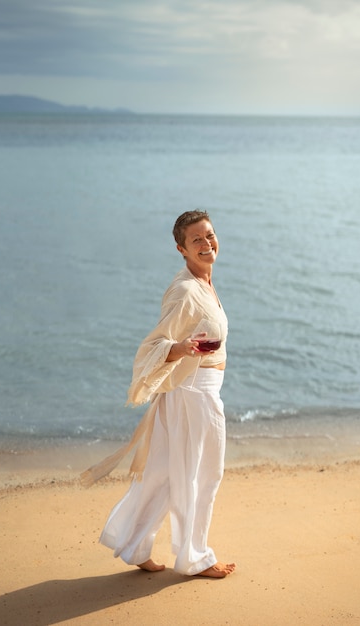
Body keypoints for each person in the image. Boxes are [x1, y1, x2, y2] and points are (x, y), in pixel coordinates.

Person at [99, 210, 236, 578]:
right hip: (195, 394)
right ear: (181, 249)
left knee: (164, 473)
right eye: (197, 241)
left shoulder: (203, 281)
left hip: (189, 392)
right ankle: (195, 557)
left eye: (209, 236)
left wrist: (184, 350)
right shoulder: (185, 289)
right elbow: (155, 345)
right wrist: (181, 349)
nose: (207, 244)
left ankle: (135, 545)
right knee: (204, 475)